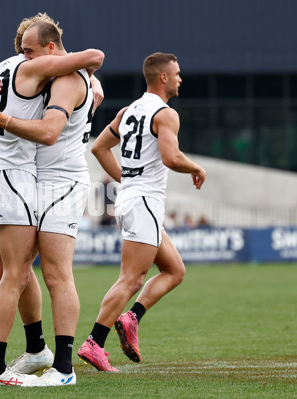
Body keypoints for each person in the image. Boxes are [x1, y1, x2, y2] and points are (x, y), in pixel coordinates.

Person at [0, 16, 103, 387]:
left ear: (49, 49)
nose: (22, 56)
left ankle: (53, 363)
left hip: (55, 181)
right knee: (13, 270)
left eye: (28, 50)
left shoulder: (59, 75)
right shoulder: (34, 69)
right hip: (19, 178)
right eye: (20, 51)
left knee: (36, 271)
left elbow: (50, 129)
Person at [77, 53, 206, 371]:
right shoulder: (166, 114)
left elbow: (99, 148)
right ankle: (94, 343)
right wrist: (196, 167)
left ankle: (132, 318)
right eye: (176, 73)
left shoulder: (128, 111)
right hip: (145, 201)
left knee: (175, 270)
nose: (180, 78)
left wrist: (126, 179)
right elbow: (170, 157)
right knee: (131, 279)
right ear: (162, 77)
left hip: (134, 199)